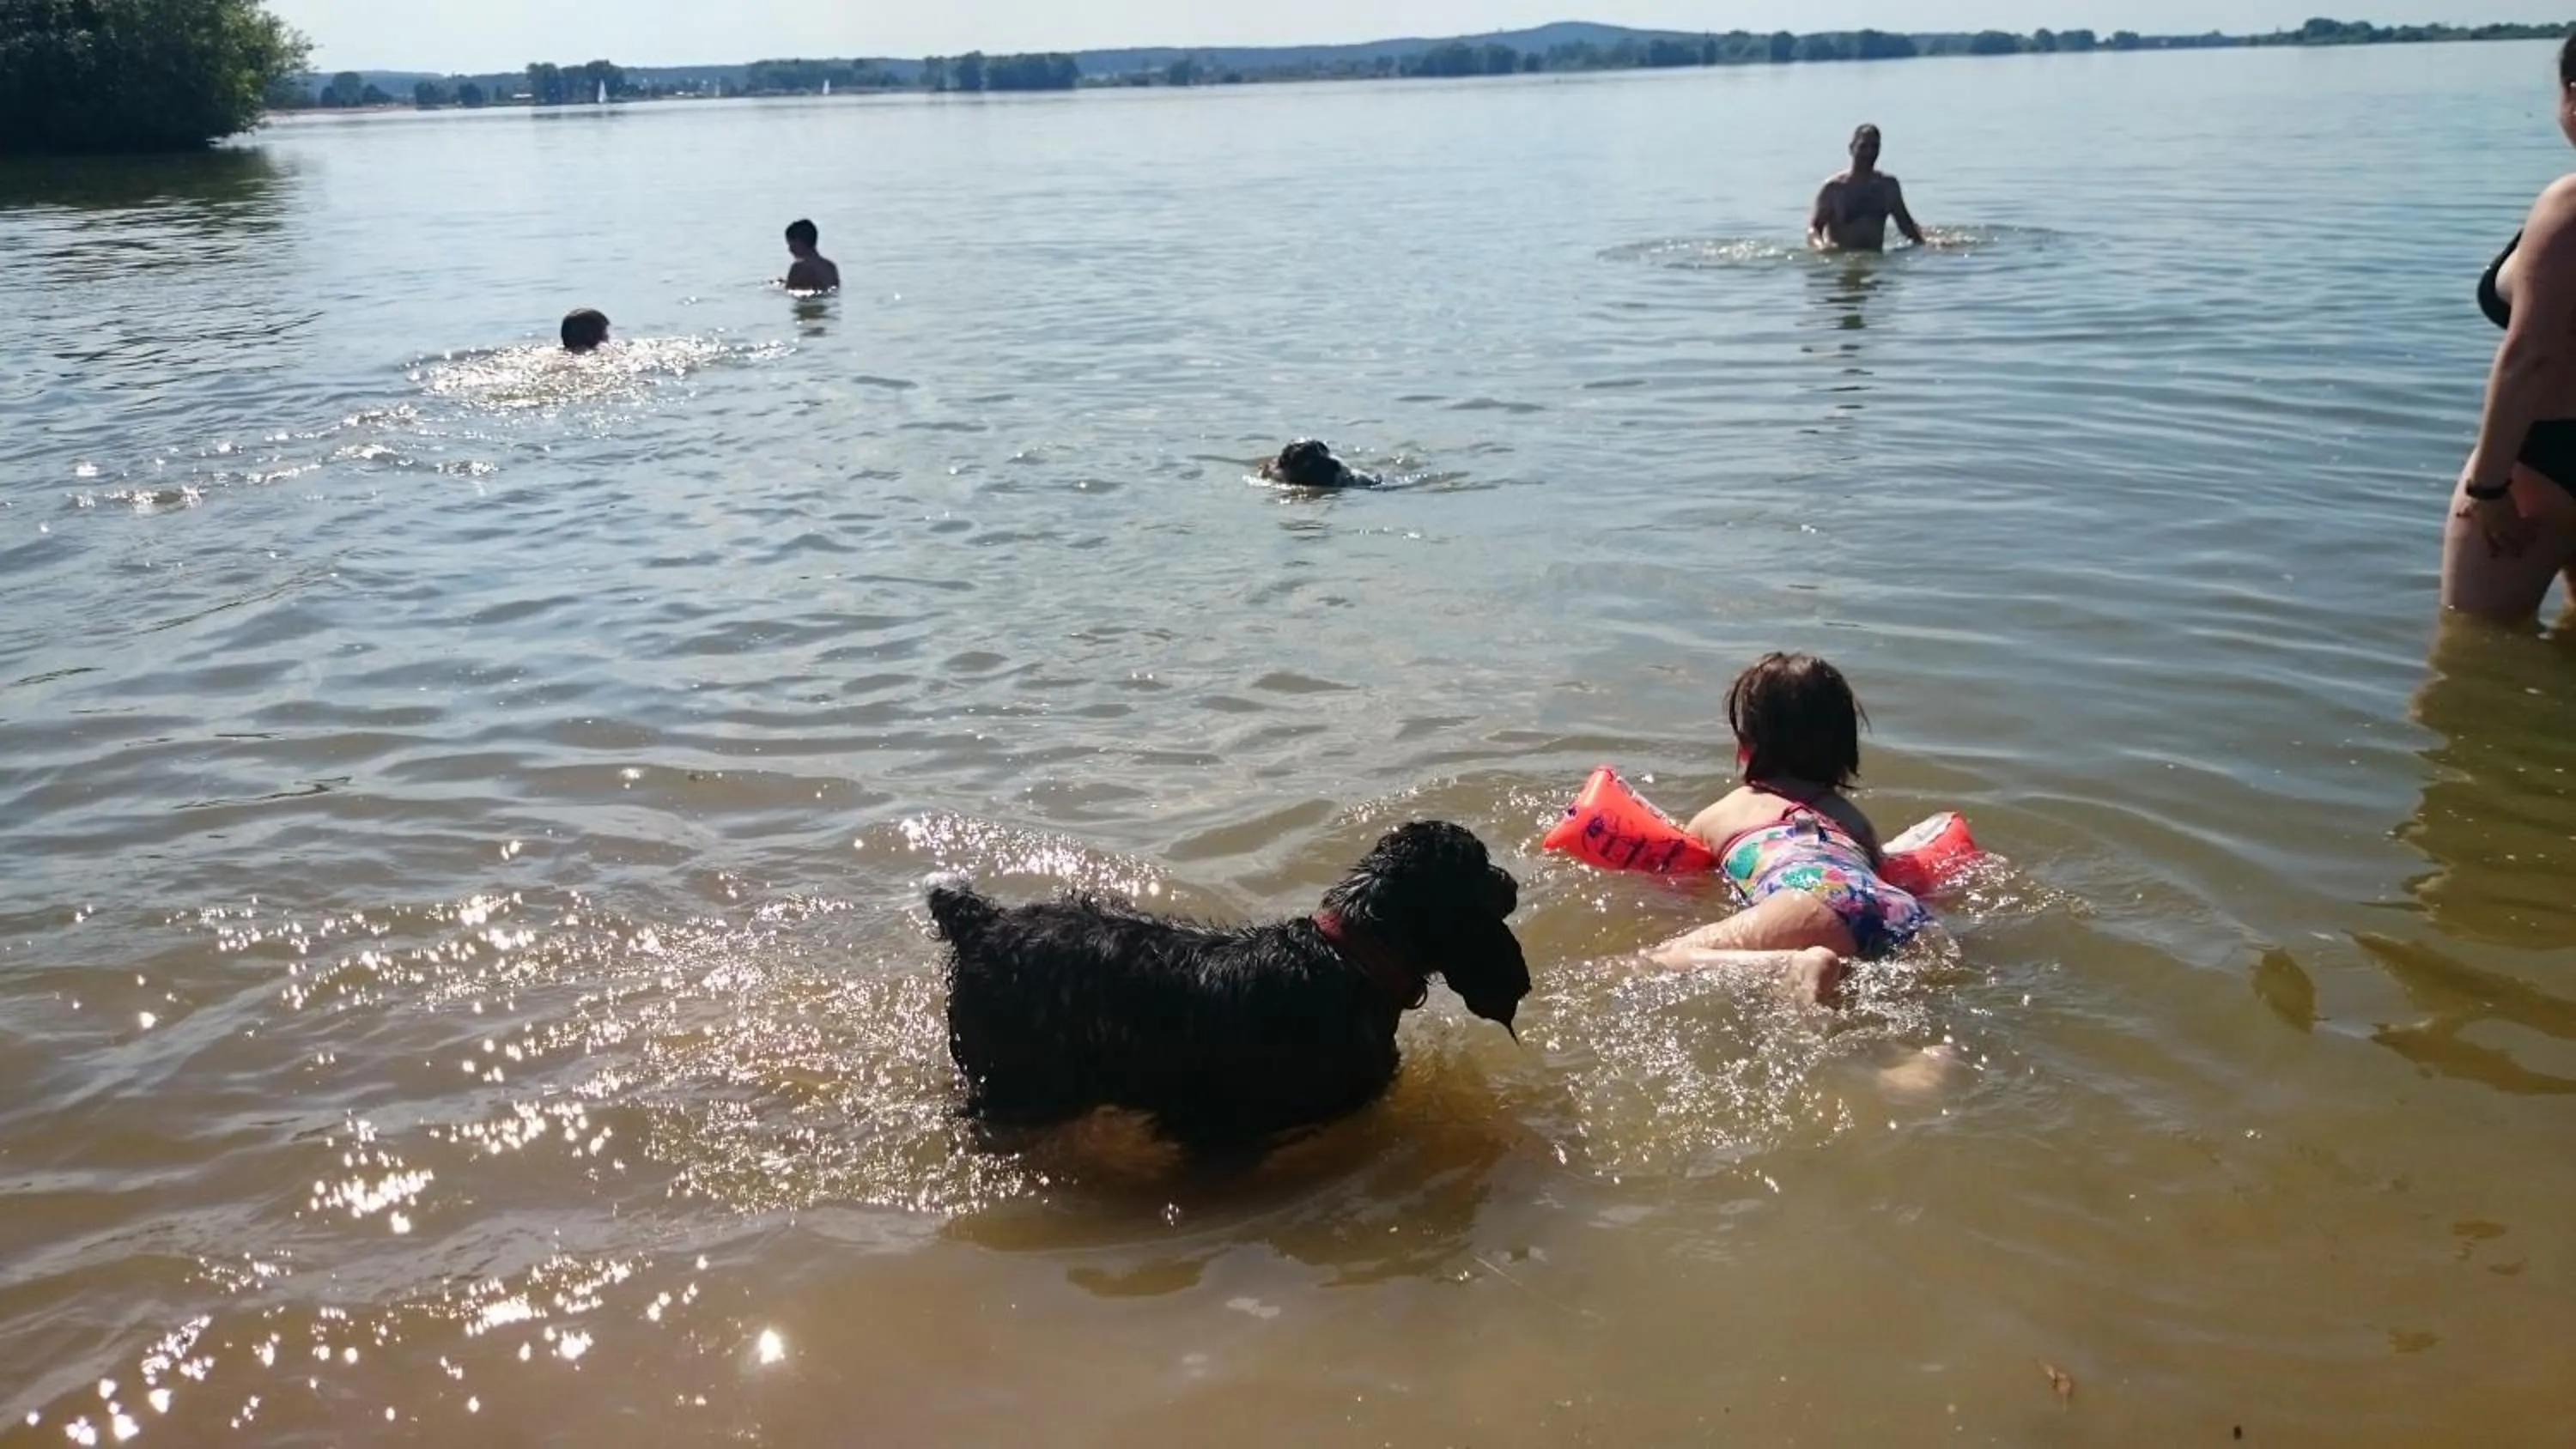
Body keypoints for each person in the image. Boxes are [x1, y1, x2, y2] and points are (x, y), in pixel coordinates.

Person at [1649, 652, 1934, 1003]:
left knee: (1658, 960)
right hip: (1899, 912)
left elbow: (1681, 892)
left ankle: (1789, 966)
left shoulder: (1722, 814)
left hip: (1805, 896)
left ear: (1744, 747)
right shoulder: (1856, 822)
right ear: (1845, 753)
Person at [2446, 33, 2576, 622]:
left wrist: (2489, 488)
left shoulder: (2570, 206)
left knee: (2472, 664)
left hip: (2542, 462)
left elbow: (2532, 357)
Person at [1807, 124, 1925, 253]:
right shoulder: (1834, 188)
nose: (1869, 152)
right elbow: (1814, 228)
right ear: (1852, 149)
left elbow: (1906, 226)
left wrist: (1929, 246)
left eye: (1874, 147)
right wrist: (1821, 247)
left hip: (1877, 264)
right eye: (1863, 147)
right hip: (1843, 263)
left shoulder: (1888, 187)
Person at [784, 219, 841, 293]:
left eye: (791, 244)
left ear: (799, 243)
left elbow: (789, 291)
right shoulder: (830, 267)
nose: (790, 249)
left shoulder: (798, 267)